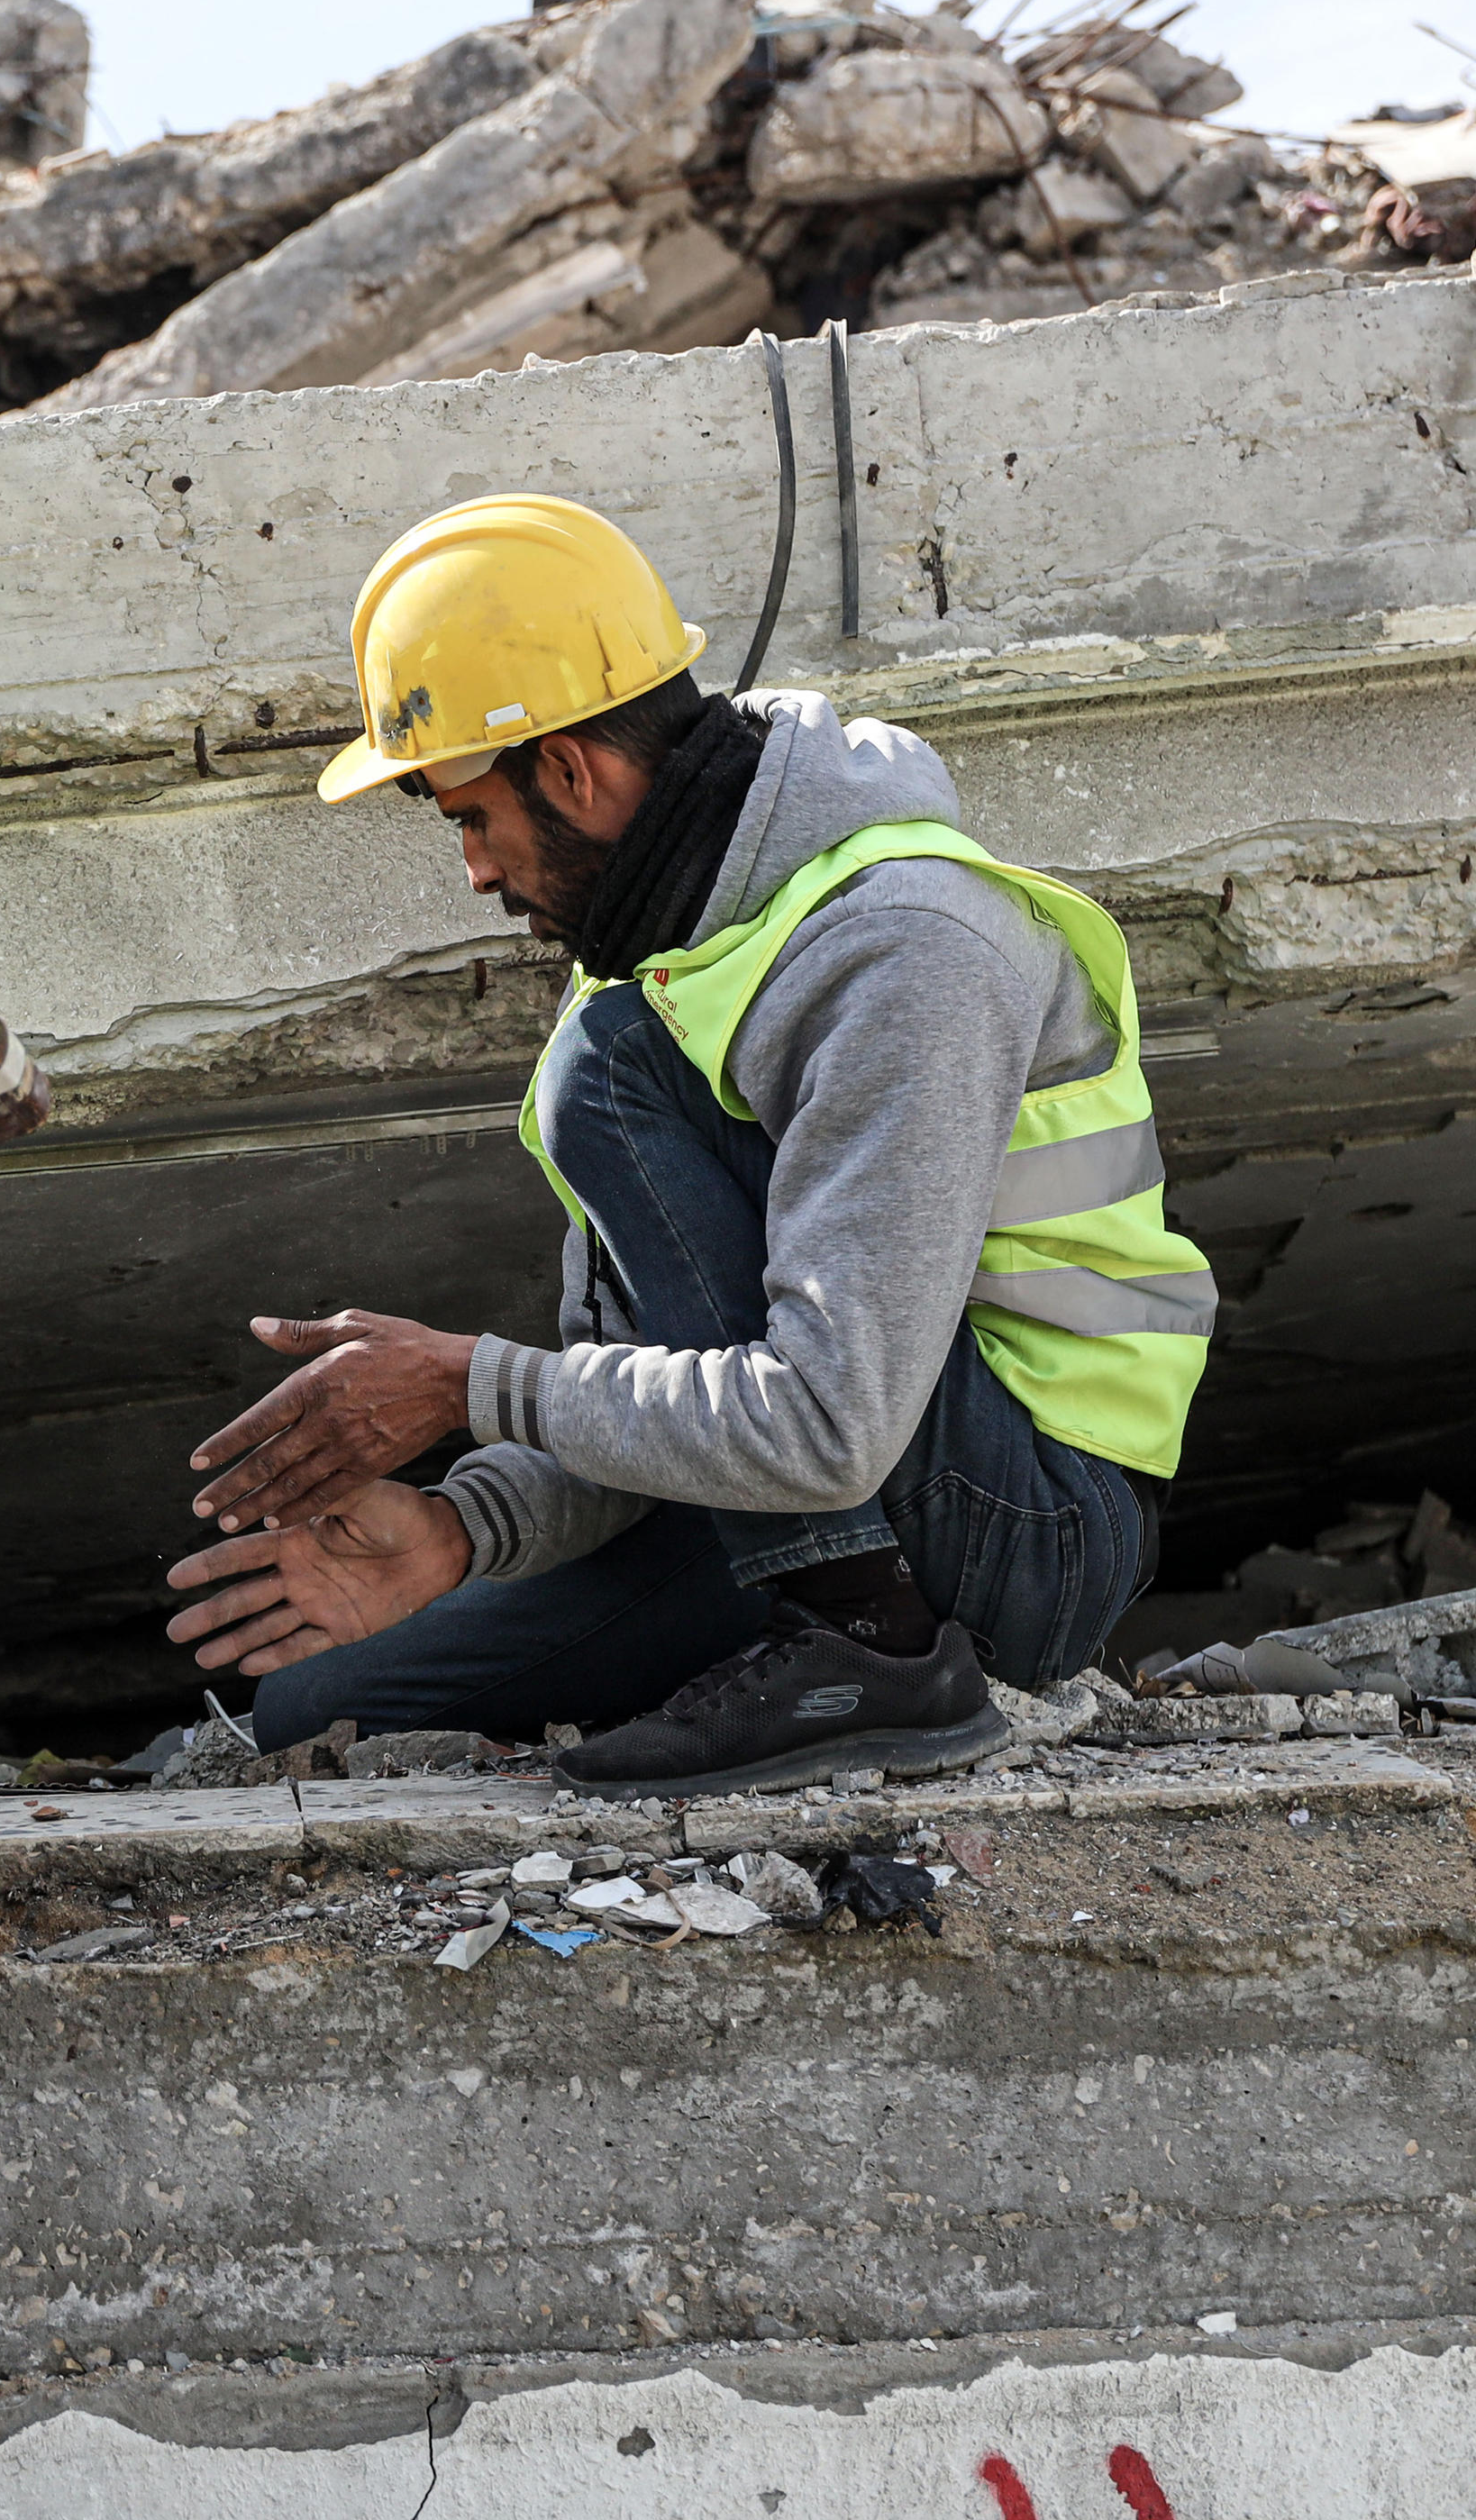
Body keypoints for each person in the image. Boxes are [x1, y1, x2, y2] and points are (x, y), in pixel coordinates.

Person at [160, 493, 1208, 1800]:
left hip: (1031, 1524)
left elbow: (824, 1426)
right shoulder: (655, 963)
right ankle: (834, 1630)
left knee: (602, 1076)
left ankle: (865, 1655)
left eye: (466, 815)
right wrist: (459, 1525)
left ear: (571, 772)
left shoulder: (907, 948)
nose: (476, 873)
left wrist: (466, 1382)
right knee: (314, 1703)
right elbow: (645, 1389)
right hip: (835, 1507)